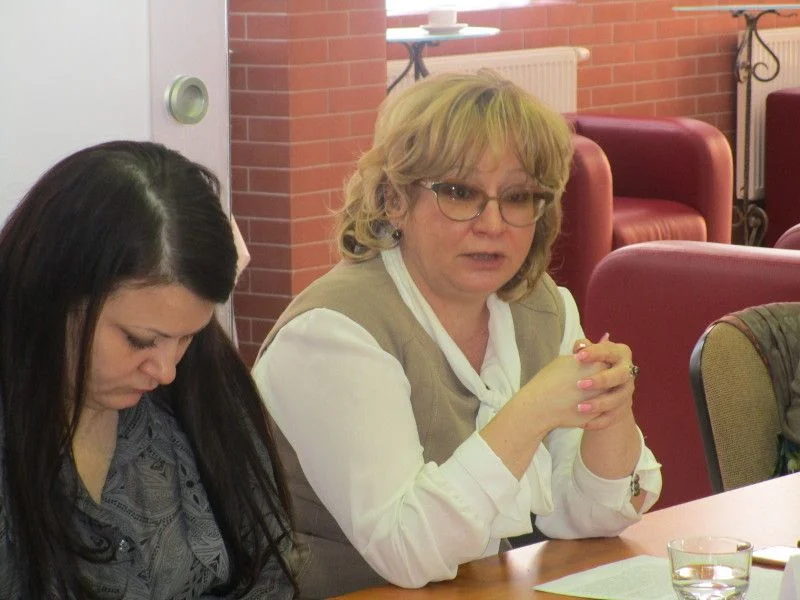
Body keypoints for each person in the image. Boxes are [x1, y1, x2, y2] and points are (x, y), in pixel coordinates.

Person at [252, 70, 663, 599]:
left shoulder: (539, 308)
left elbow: (590, 515)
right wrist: (532, 410)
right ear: (394, 200)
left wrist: (610, 409)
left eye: (517, 196)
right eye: (459, 192)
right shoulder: (332, 334)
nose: (491, 223)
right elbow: (407, 552)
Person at [0, 141, 296, 599]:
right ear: (54, 294)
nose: (165, 369)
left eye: (188, 337)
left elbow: (271, 569)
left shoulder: (203, 382)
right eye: (139, 340)